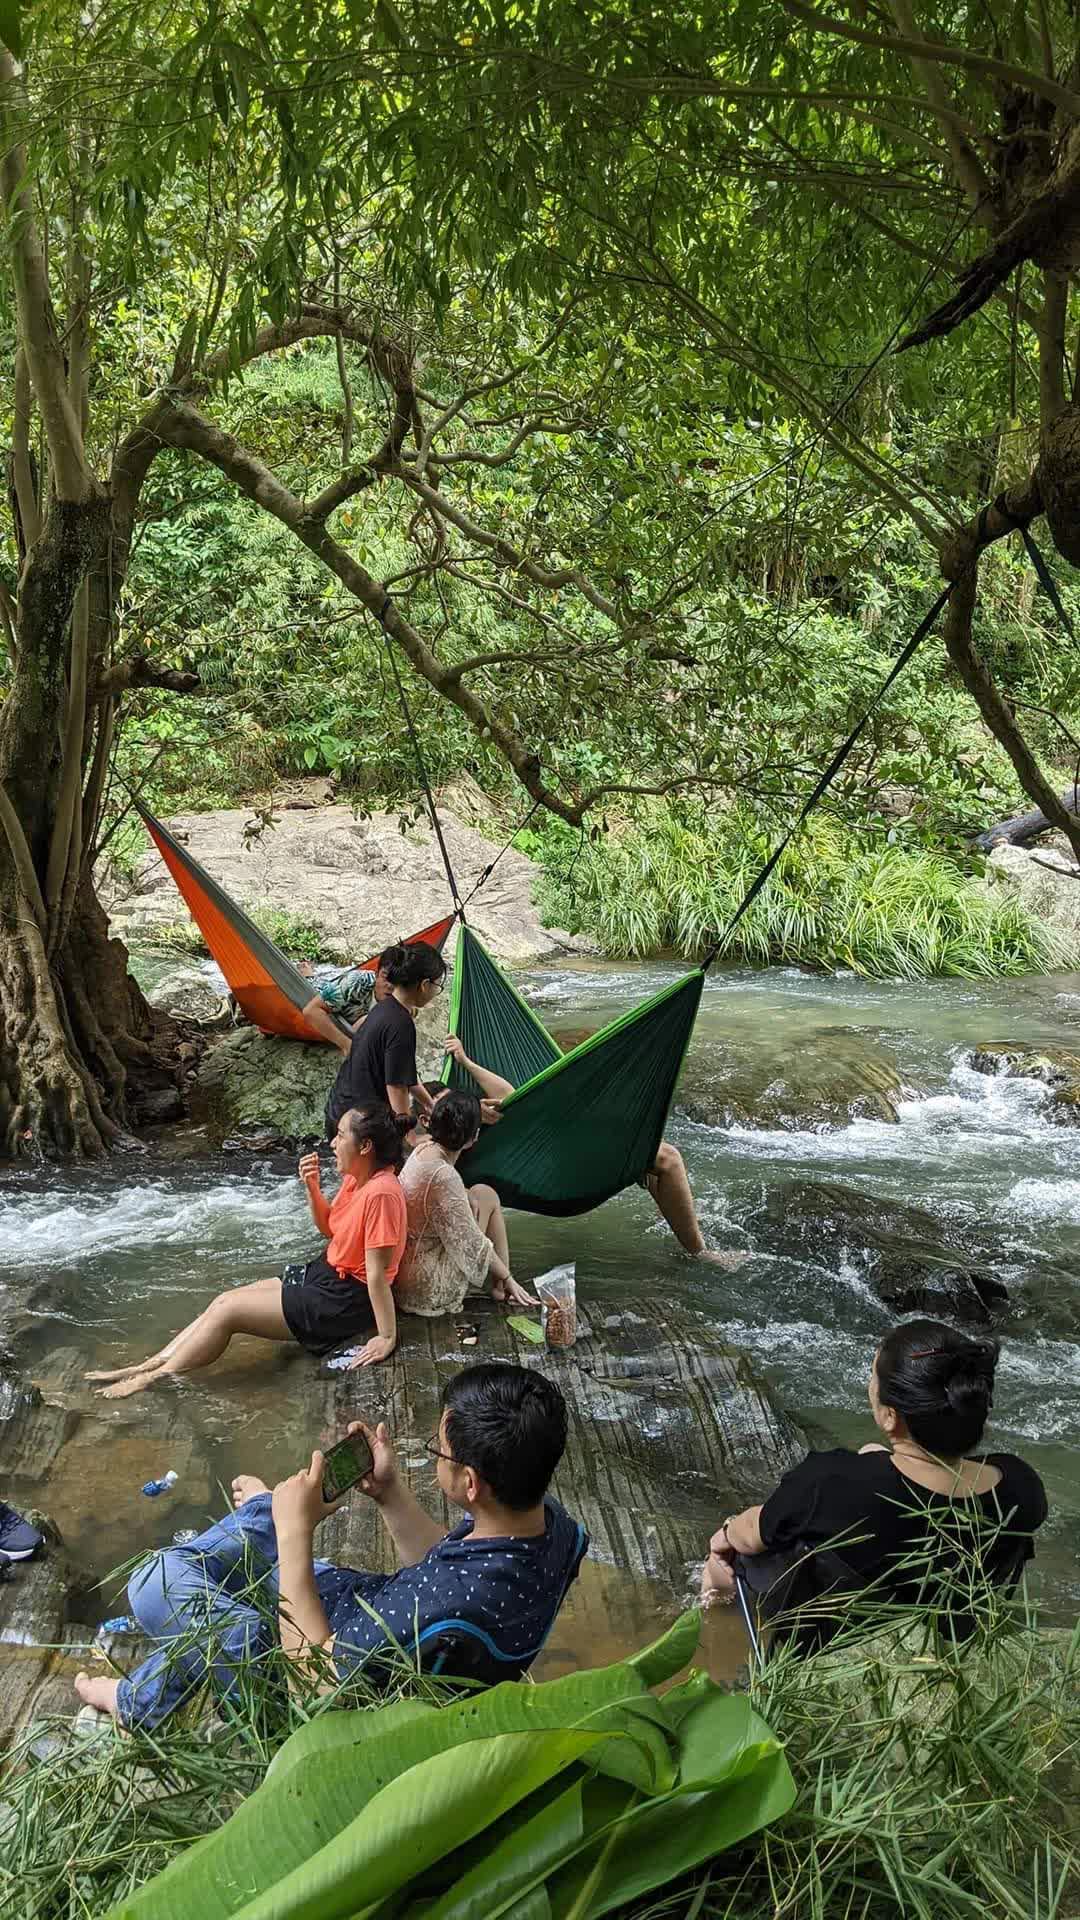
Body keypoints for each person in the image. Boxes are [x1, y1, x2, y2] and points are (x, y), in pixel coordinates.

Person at [74, 1363, 588, 1729]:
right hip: (375, 1626)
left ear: (471, 1484)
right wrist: (389, 1493)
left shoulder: (435, 1609)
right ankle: (265, 1511)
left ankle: (137, 1700)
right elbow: (443, 1567)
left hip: (314, 1677)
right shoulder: (553, 1530)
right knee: (265, 1519)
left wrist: (297, 1534)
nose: (435, 1457)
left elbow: (315, 1691)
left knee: (157, 1582)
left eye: (439, 1451)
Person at [702, 1319, 1047, 1651]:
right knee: (872, 1454)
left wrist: (726, 1534)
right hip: (948, 1632)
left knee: (724, 1562)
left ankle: (714, 1641)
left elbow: (754, 1533)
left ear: (890, 1416)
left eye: (873, 1376)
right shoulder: (1021, 1484)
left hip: (831, 1643)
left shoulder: (831, 1482)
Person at [84, 1104, 408, 1398]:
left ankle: (159, 1378)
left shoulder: (381, 1193)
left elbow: (377, 1274)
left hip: (343, 1299)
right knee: (224, 1299)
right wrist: (312, 1188)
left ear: (365, 1146)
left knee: (230, 1313)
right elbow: (331, 1230)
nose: (333, 1144)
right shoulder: (357, 1179)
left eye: (340, 1136)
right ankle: (150, 1364)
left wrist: (387, 1336)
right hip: (323, 1273)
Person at [442, 1035, 747, 1267]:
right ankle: (701, 1252)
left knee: (662, 1158)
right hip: (549, 1176)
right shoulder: (447, 1148)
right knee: (665, 1158)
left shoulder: (471, 1118)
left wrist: (467, 1063)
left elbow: (509, 1096)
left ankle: (698, 1250)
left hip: (560, 1157)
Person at [397, 1089, 538, 1318]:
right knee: (488, 1198)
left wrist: (466, 1193)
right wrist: (509, 1278)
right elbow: (471, 1242)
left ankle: (499, 1286)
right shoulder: (444, 1175)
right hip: (427, 1290)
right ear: (474, 1139)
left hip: (404, 1276)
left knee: (482, 1193)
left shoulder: (421, 1150)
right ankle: (502, 1287)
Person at [325, 943, 447, 1139]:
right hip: (356, 1126)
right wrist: (410, 1138)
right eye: (438, 986)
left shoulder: (384, 1008)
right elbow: (397, 1086)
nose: (436, 992)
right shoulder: (401, 1023)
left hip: (339, 1114)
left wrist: (429, 1104)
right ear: (424, 985)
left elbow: (404, 1073)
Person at [299, 946, 397, 1048]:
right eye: (385, 977)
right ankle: (308, 974)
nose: (390, 985)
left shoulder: (404, 998)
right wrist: (345, 1044)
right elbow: (310, 1011)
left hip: (345, 1010)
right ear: (376, 974)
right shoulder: (356, 982)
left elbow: (355, 1030)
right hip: (318, 992)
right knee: (313, 982)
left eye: (397, 980)